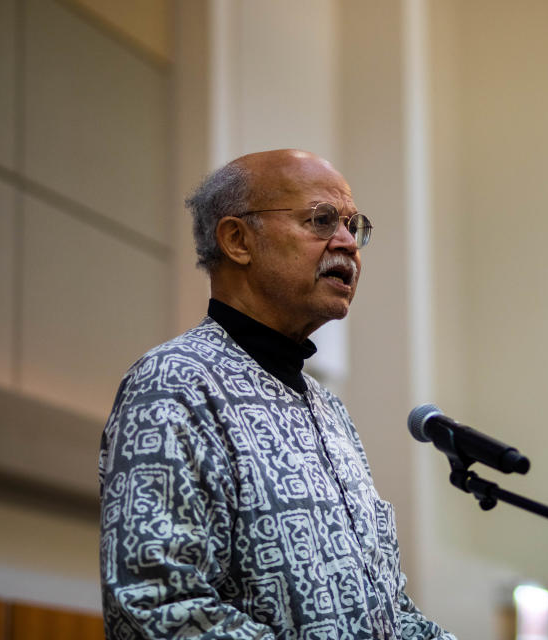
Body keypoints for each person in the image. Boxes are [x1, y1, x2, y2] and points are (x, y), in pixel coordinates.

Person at [98, 149, 455, 639]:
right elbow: (158, 606)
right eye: (323, 220)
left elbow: (388, 613)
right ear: (237, 240)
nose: (349, 243)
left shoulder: (329, 410)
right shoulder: (175, 382)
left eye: (355, 225)